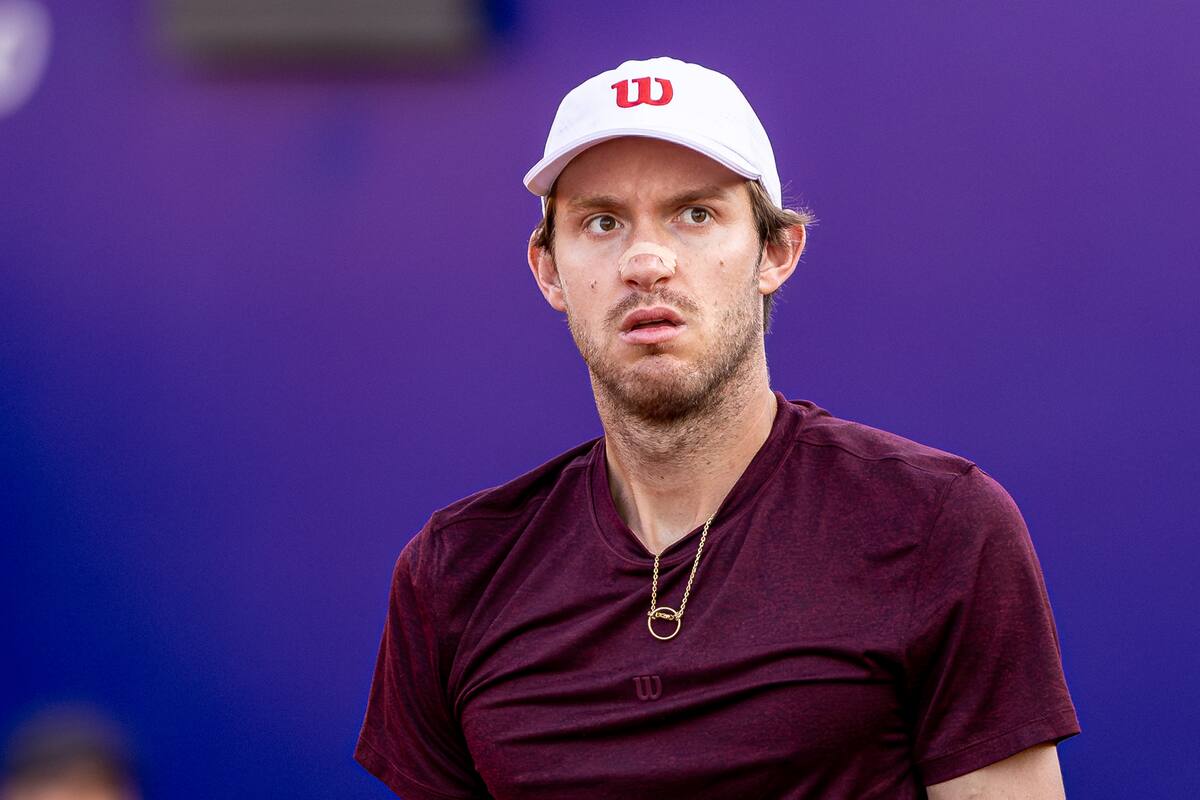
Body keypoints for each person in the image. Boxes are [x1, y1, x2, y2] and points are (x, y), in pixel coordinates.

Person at [355, 56, 1081, 799]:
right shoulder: (457, 572)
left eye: (695, 214)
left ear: (776, 251)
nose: (646, 260)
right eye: (601, 222)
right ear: (549, 271)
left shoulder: (938, 526)